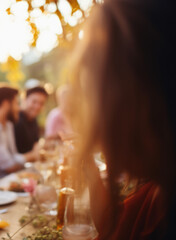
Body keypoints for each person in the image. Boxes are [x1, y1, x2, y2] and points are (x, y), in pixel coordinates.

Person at [68, 0, 176, 239]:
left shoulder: (162, 206)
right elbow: (113, 224)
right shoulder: (157, 190)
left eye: (100, 99)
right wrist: (90, 170)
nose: (94, 129)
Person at [13, 86, 48, 153]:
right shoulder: (16, 120)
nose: (37, 106)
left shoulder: (33, 120)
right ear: (24, 100)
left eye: (41, 103)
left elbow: (36, 144)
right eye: (34, 102)